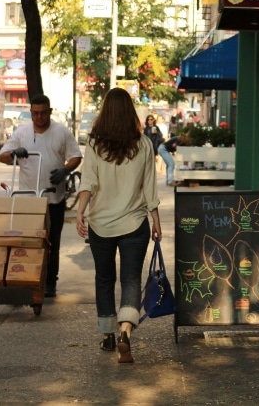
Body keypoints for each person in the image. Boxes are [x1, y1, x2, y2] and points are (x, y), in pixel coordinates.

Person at [75, 88, 161, 364]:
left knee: (104, 279)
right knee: (131, 279)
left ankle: (108, 335)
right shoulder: (144, 144)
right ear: (130, 112)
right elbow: (150, 189)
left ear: (105, 112)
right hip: (135, 223)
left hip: (101, 224)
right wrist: (156, 220)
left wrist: (79, 212)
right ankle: (126, 330)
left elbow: (88, 182)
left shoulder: (94, 144)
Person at [0, 94, 82, 297]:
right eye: (35, 113)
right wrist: (14, 154)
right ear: (31, 113)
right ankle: (25, 279)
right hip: (27, 199)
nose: (39, 117)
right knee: (27, 242)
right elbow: (2, 156)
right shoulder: (22, 132)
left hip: (54, 198)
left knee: (51, 242)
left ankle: (50, 282)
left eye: (43, 113)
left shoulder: (61, 132)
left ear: (50, 112)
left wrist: (65, 170)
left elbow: (76, 156)